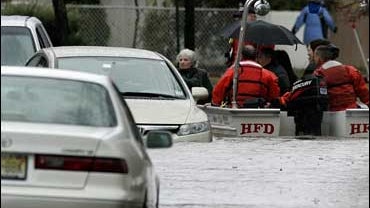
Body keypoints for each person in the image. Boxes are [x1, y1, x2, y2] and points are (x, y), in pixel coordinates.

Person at [212, 45, 280, 108]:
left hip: (236, 110)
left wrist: (215, 104)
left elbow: (218, 90)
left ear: (241, 56)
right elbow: (274, 96)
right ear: (256, 57)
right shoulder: (268, 75)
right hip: (259, 112)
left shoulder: (233, 72)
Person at [313, 44, 369, 111]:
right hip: (352, 113)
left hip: (331, 114)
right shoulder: (350, 70)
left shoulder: (318, 74)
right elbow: (364, 94)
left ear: (319, 58)